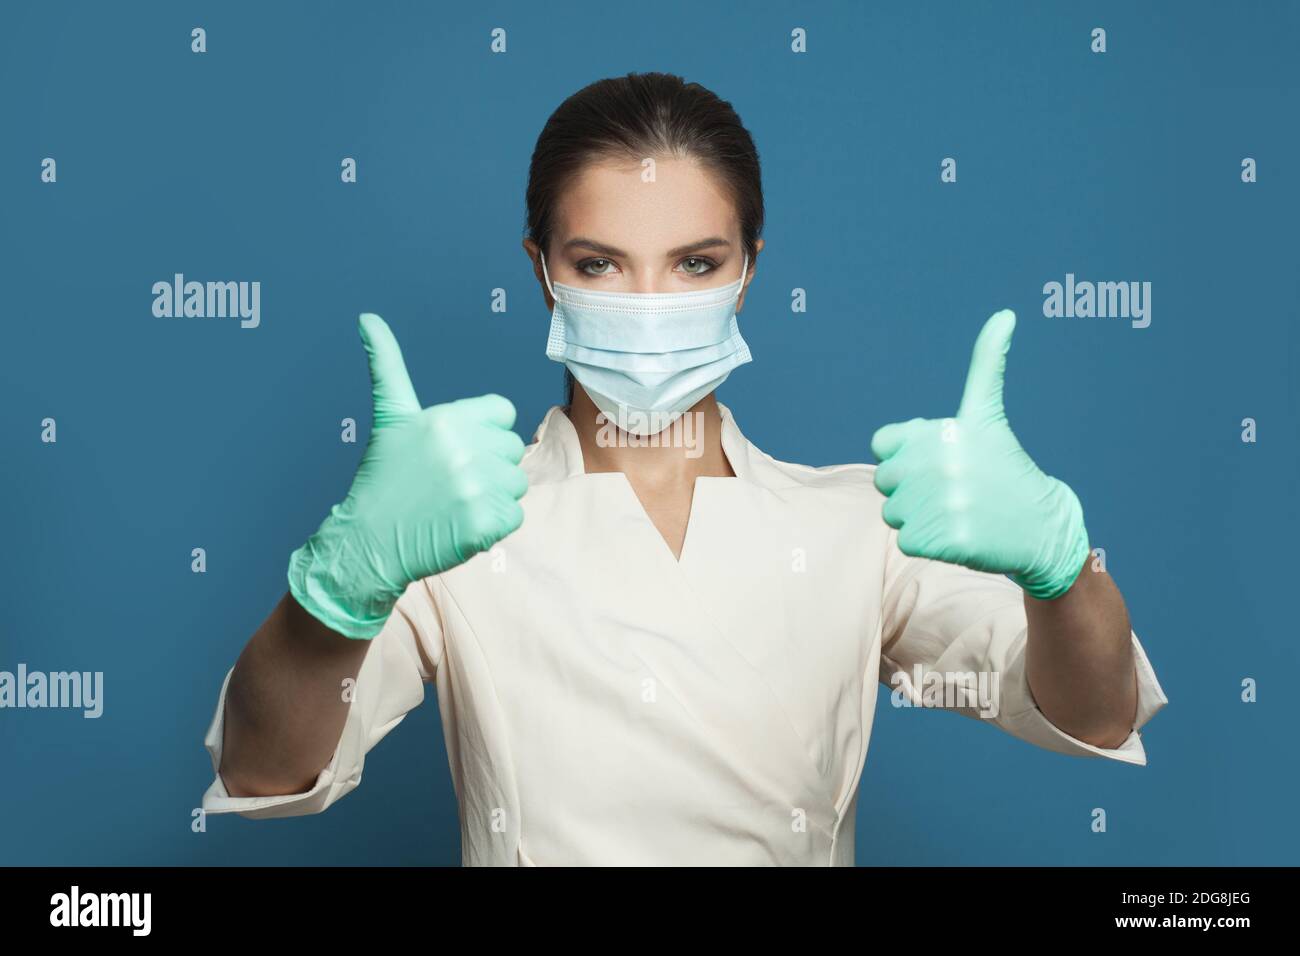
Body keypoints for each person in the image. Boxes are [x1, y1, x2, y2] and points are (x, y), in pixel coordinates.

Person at [200, 72, 1167, 866]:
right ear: (542, 269)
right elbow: (265, 773)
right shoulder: (456, 527)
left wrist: (1062, 562)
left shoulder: (858, 527)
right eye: (602, 264)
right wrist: (336, 591)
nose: (650, 302)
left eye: (695, 264)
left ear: (750, 266)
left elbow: (1095, 709)